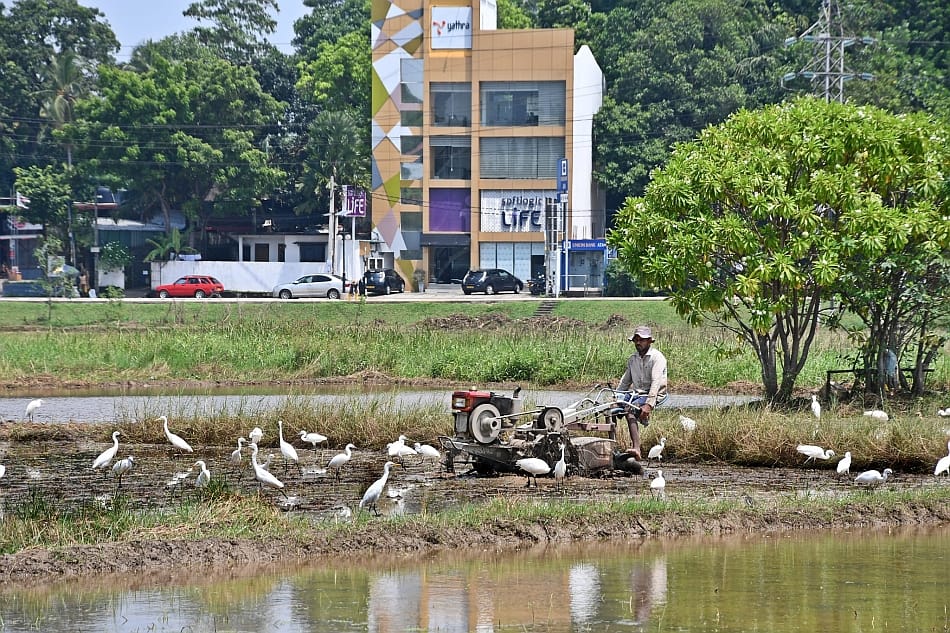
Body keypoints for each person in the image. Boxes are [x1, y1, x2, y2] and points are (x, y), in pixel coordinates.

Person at [616, 325, 668, 459]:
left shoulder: (657, 358)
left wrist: (649, 404)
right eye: (636, 340)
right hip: (637, 393)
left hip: (653, 393)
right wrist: (616, 397)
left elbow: (656, 382)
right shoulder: (633, 359)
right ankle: (612, 446)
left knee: (630, 409)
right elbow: (625, 382)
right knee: (609, 409)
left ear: (649, 341)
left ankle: (637, 448)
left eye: (642, 340)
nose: (638, 343)